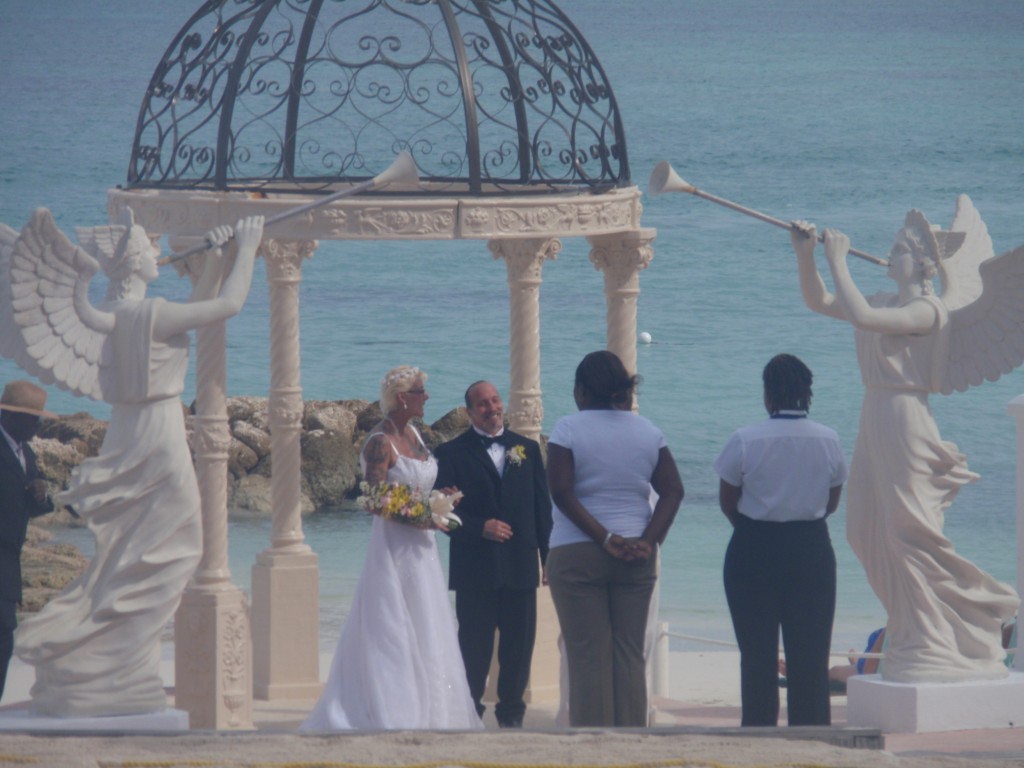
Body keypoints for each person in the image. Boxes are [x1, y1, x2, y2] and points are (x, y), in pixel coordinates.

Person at [9, 211, 264, 717]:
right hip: (159, 433)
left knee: (136, 549)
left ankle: (108, 662)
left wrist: (215, 259)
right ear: (135, 263)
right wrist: (249, 248)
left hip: (130, 429)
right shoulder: (150, 314)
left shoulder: (119, 313)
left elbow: (198, 308)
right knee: (180, 543)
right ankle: (110, 661)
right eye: (149, 248)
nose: (157, 252)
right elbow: (227, 306)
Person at [792, 210, 1019, 683]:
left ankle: (944, 635)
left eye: (898, 249)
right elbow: (822, 301)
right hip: (875, 412)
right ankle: (914, 629)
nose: (889, 255)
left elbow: (866, 317)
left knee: (908, 533)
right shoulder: (884, 298)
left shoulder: (927, 312)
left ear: (921, 265)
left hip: (905, 419)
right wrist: (806, 255)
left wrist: (838, 259)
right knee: (863, 529)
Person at [301, 366, 482, 730]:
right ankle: (394, 712)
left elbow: (415, 487)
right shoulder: (379, 442)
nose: (426, 397)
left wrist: (437, 500)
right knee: (394, 627)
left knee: (429, 624)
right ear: (403, 398)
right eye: (420, 391)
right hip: (395, 548)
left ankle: (435, 713)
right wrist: (421, 516)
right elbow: (371, 499)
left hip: (424, 549)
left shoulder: (414, 433)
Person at [546, 350, 683, 727]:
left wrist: (604, 537)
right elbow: (673, 491)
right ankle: (631, 740)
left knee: (588, 655)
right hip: (636, 555)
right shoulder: (648, 432)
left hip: (576, 553)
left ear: (582, 392)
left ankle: (595, 745)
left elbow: (561, 491)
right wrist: (649, 541)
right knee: (629, 654)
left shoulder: (568, 429)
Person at [714, 353, 847, 726]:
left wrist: (752, 527)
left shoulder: (745, 439)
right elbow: (831, 502)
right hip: (810, 548)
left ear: (768, 394)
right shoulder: (828, 440)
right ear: (807, 393)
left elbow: (728, 499)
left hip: (752, 546)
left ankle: (758, 736)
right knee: (811, 653)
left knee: (756, 654)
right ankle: (812, 737)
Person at [433, 381, 553, 728]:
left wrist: (548, 559)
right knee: (473, 649)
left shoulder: (527, 450)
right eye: (482, 404)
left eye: (495, 400)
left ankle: (512, 717)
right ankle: (469, 714)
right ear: (469, 412)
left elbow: (542, 511)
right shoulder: (452, 453)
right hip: (475, 569)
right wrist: (478, 527)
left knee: (519, 648)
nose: (492, 407)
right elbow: (441, 514)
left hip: (520, 566)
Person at [0, 380, 54, 701]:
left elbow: (32, 504)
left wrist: (41, 496)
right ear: (9, 415)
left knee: (5, 640)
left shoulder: (26, 453)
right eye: (33, 418)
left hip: (8, 567)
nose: (38, 425)